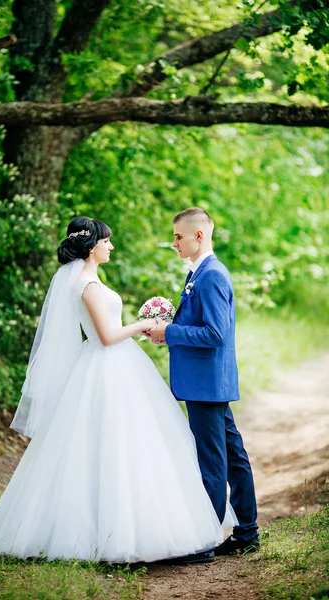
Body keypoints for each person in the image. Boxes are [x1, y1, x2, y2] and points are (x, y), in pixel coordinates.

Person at [0, 216, 235, 564]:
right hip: (105, 367)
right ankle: (113, 531)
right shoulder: (87, 285)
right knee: (110, 445)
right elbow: (107, 337)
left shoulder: (90, 280)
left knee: (134, 443)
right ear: (92, 246)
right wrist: (143, 324)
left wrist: (145, 328)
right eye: (107, 241)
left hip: (117, 366)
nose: (111, 246)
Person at [149, 207, 259, 556]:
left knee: (212, 462)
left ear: (199, 235)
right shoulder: (200, 272)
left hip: (206, 383)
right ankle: (247, 533)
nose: (174, 243)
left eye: (178, 236)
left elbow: (214, 333)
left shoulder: (211, 275)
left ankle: (205, 541)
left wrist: (170, 331)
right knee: (233, 456)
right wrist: (172, 333)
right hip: (208, 382)